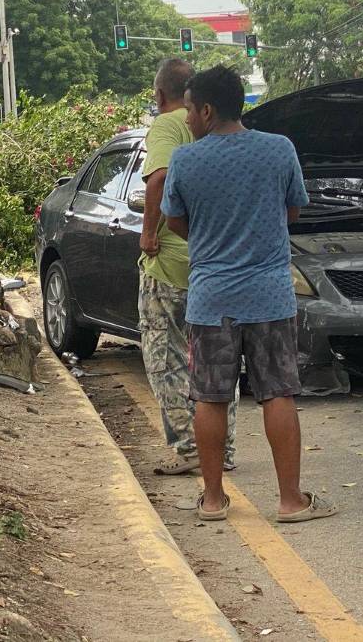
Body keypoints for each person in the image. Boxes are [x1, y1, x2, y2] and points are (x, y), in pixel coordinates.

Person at [162, 65, 336, 524]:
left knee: (210, 396)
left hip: (211, 296)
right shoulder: (279, 150)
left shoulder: (186, 160)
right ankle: (290, 501)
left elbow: (175, 220)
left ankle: (214, 501)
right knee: (278, 392)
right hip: (270, 294)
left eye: (189, 112)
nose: (187, 121)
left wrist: (209, 234)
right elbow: (293, 209)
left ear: (206, 109)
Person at [138, 58, 238, 475]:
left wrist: (148, 234)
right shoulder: (219, 127)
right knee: (215, 361)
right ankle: (223, 449)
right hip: (215, 262)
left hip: (172, 261)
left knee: (167, 359)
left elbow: (158, 177)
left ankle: (192, 450)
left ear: (161, 95)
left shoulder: (166, 124)